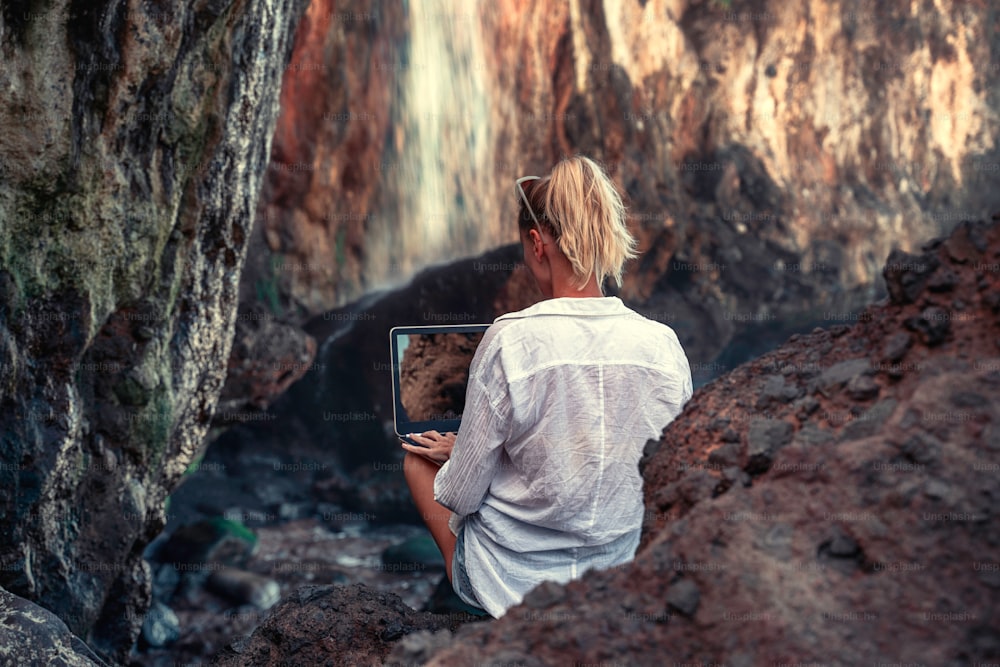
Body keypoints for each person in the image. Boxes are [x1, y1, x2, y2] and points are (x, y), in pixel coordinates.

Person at [401, 155, 692, 618]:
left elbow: (460, 496)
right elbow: (671, 473)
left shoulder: (508, 340)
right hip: (619, 570)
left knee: (417, 462)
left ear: (537, 245)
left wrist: (462, 453)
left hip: (515, 586)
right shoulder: (664, 345)